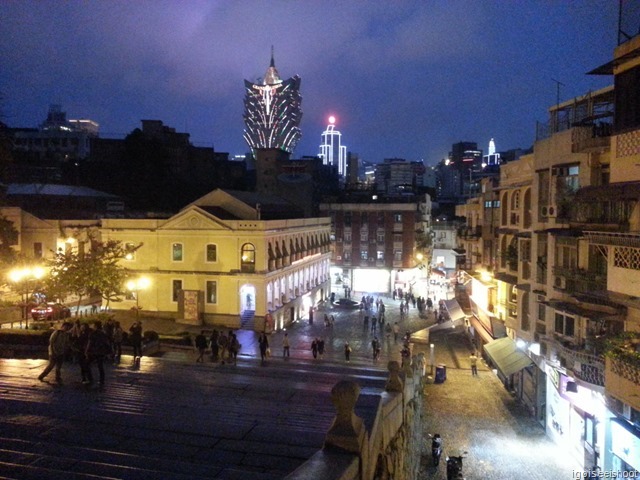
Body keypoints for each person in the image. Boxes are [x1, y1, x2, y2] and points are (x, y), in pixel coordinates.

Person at [86, 321, 112, 385]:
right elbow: (106, 343)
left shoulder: (93, 333)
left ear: (95, 326)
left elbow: (90, 343)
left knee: (87, 364)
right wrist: (109, 352)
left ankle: (90, 379)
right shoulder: (103, 334)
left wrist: (87, 351)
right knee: (100, 366)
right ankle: (101, 380)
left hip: (94, 351)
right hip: (101, 352)